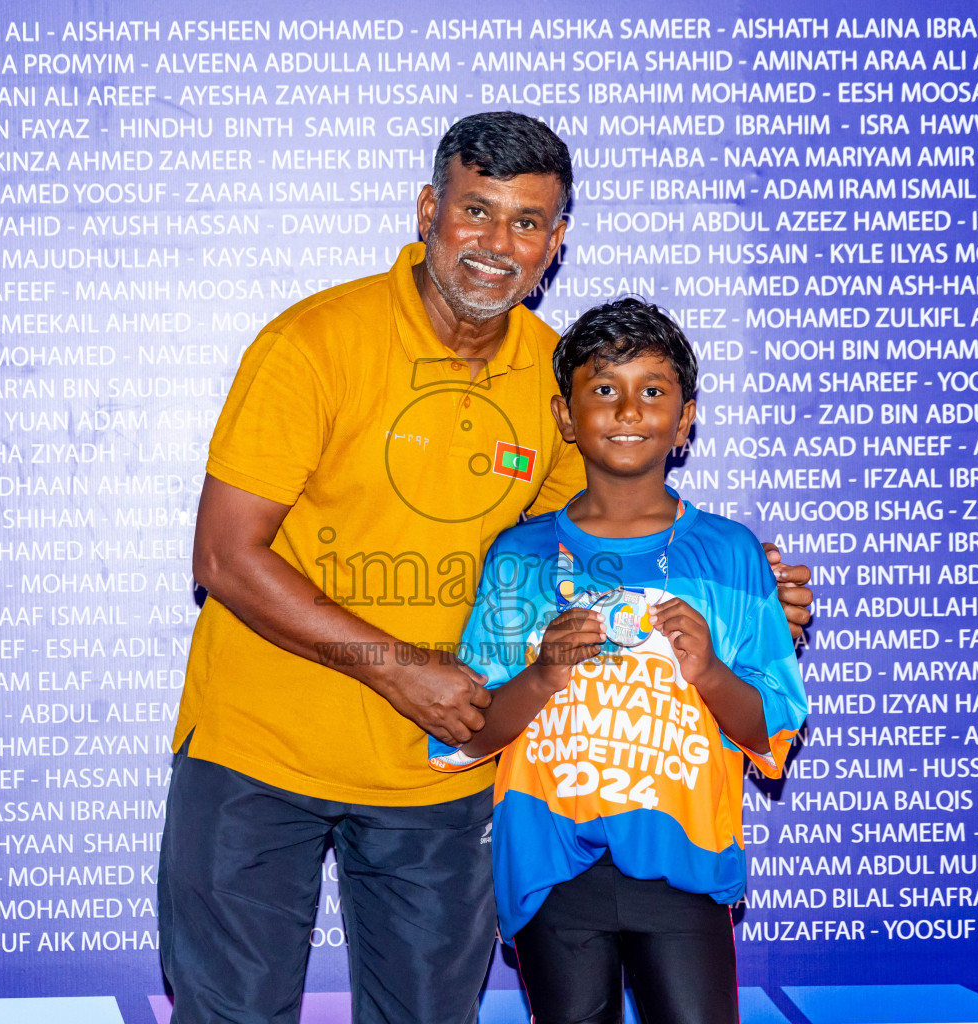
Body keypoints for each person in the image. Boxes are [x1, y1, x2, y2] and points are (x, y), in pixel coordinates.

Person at [159, 112, 813, 1024]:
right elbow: (225, 556)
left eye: (527, 222)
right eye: (477, 211)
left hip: (447, 772)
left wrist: (746, 585)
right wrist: (402, 670)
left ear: (556, 241)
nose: (497, 245)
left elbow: (605, 538)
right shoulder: (312, 342)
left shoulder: (560, 381)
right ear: (431, 209)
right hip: (260, 757)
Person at [428, 298, 807, 1024]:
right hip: (549, 864)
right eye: (603, 389)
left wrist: (711, 674)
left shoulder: (729, 554)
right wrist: (541, 675)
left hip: (683, 865)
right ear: (565, 417)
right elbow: (465, 733)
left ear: (686, 417)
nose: (628, 409)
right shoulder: (522, 557)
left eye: (653, 390)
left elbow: (771, 733)